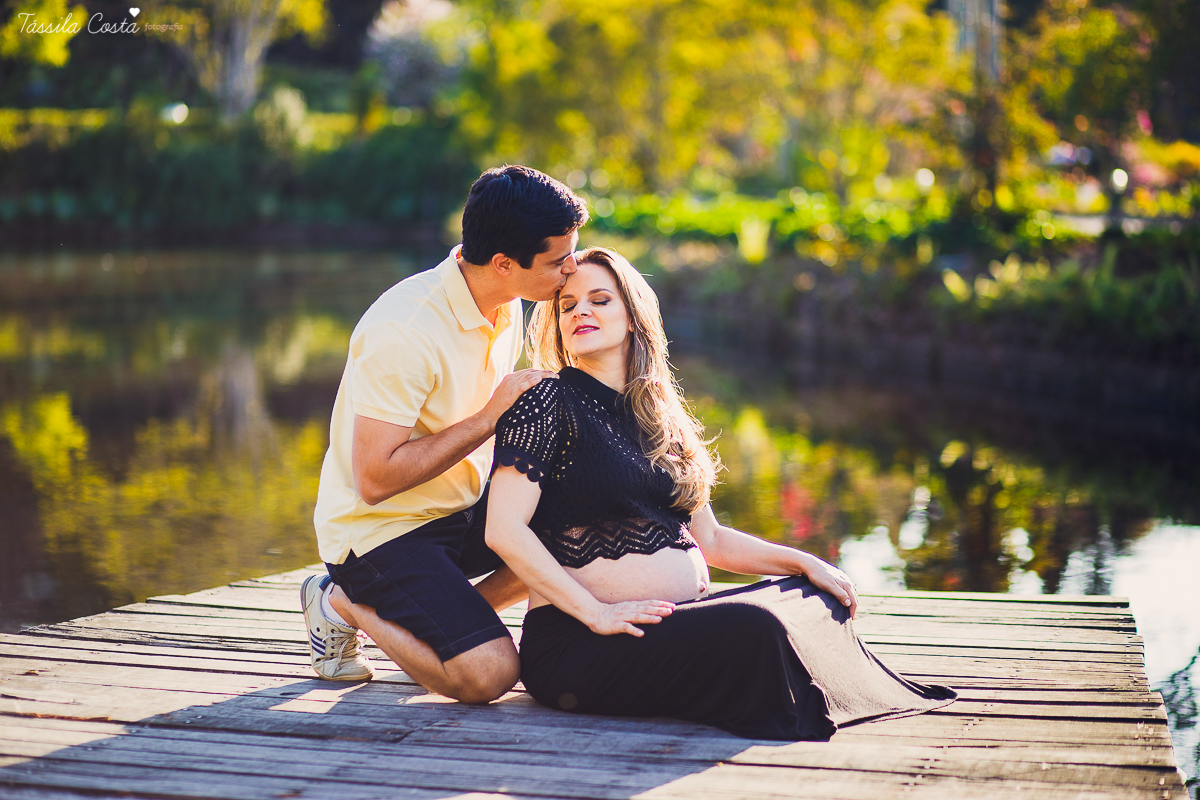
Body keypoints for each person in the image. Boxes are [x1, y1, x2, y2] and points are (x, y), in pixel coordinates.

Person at [485, 247, 956, 739]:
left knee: (811, 597)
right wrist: (596, 612)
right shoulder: (544, 401)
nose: (581, 311)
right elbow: (504, 530)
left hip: (668, 625)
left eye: (600, 300)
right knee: (754, 627)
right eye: (567, 306)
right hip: (581, 643)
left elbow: (712, 540)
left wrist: (803, 562)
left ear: (632, 317)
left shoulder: (660, 416)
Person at [302, 165, 589, 704]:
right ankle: (341, 601)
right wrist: (489, 419)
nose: (571, 269)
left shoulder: (502, 303)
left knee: (587, 524)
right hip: (380, 531)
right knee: (489, 675)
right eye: (559, 260)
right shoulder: (405, 331)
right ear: (504, 263)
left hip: (459, 508)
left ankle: (449, 618)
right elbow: (374, 479)